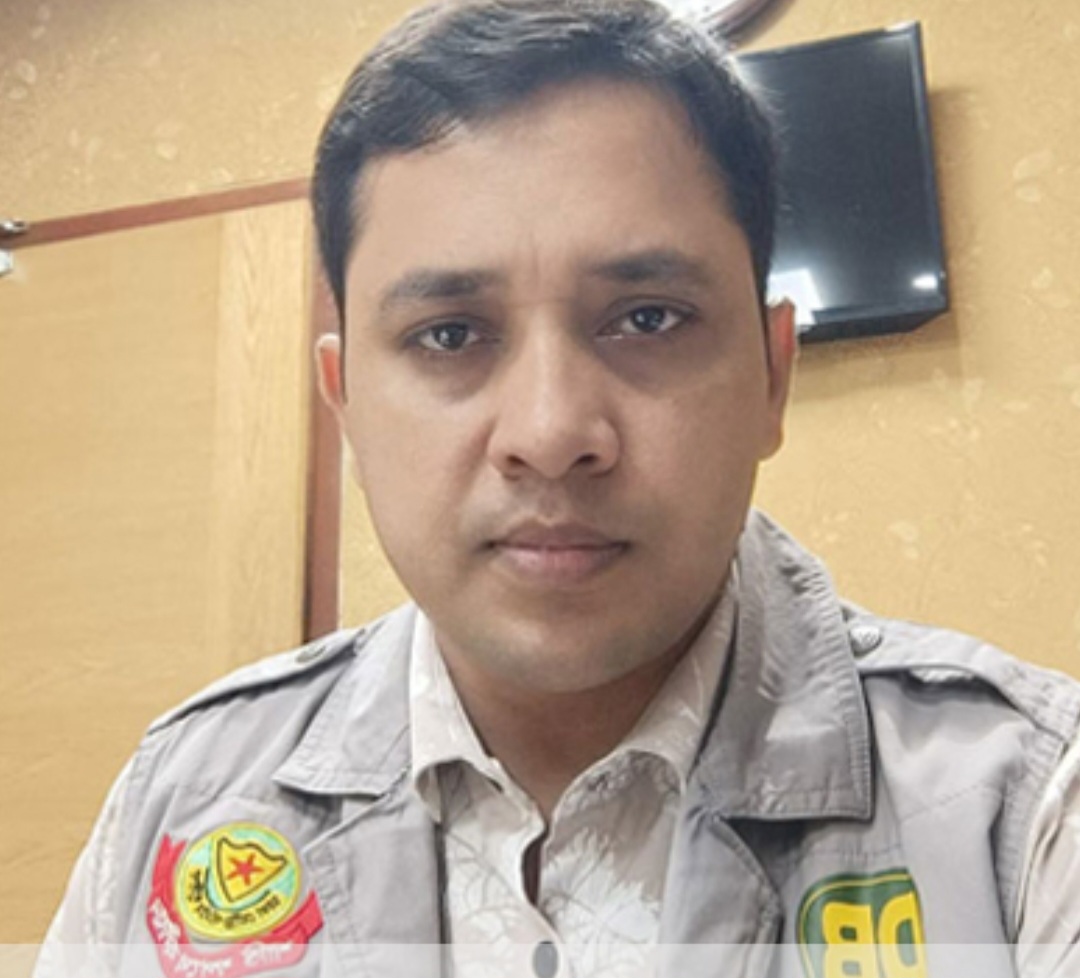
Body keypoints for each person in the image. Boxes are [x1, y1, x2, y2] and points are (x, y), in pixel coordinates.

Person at [36, 0, 1080, 975]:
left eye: (647, 318)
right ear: (344, 402)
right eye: (450, 335)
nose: (548, 434)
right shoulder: (180, 802)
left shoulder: (1025, 812)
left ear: (772, 377)